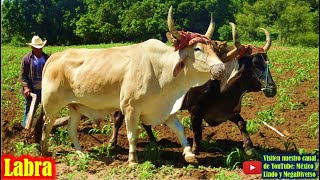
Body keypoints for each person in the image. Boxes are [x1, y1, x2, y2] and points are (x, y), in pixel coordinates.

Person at [20, 35, 49, 128]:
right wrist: (26, 87)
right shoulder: (27, 59)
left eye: (40, 48)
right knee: (29, 111)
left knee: (46, 111)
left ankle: (45, 129)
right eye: (37, 48)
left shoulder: (47, 58)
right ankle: (26, 129)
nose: (39, 50)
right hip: (32, 90)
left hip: (44, 90)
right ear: (32, 47)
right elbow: (23, 75)